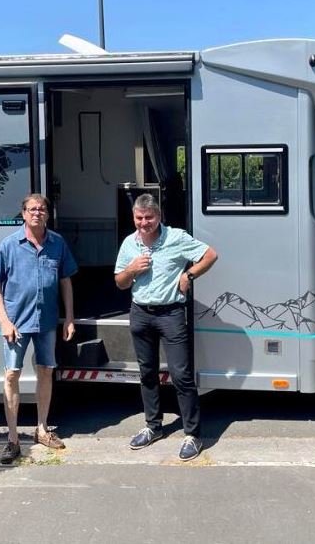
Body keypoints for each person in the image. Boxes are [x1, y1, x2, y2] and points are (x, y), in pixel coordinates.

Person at [114, 193, 218, 461]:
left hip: (170, 313)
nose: (143, 223)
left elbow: (210, 255)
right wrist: (132, 270)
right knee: (147, 373)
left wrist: (189, 274)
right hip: (140, 313)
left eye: (149, 217)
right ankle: (153, 426)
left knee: (181, 375)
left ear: (158, 216)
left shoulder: (176, 237)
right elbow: (120, 282)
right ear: (133, 217)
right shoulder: (129, 243)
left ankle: (192, 434)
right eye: (139, 218)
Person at [0, 193, 77, 464]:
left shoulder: (57, 243)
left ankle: (42, 429)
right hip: (16, 323)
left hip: (47, 321)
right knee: (12, 375)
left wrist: (69, 318)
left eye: (42, 209)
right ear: (24, 213)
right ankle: (13, 439)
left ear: (47, 214)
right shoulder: (9, 245)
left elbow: (65, 281)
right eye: (32, 209)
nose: (37, 213)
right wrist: (4, 321)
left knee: (46, 371)